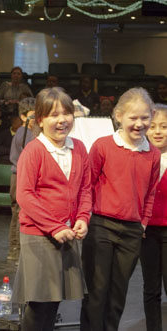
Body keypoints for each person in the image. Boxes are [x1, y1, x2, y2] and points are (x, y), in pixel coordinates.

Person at [80, 87, 160, 331]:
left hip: (132, 232)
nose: (139, 124)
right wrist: (86, 217)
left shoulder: (153, 154)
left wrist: (143, 223)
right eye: (133, 118)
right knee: (97, 291)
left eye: (144, 118)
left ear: (152, 116)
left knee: (118, 294)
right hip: (101, 227)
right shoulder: (103, 146)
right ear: (119, 116)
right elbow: (87, 185)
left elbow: (150, 194)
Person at [13, 87, 91, 331]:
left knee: (54, 302)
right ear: (40, 120)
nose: (62, 120)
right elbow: (24, 195)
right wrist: (54, 226)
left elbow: (86, 189)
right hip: (39, 236)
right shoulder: (34, 151)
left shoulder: (78, 148)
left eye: (66, 113)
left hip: (66, 234)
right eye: (54, 115)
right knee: (39, 306)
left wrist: (82, 218)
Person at [140, 103, 167, 331]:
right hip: (146, 232)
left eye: (164, 126)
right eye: (153, 126)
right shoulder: (139, 157)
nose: (158, 131)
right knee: (151, 289)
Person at [7, 97, 36, 262]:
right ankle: (16, 251)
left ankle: (13, 249)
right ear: (24, 117)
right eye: (33, 115)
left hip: (19, 176)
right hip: (20, 176)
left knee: (16, 213)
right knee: (19, 213)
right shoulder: (25, 133)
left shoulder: (25, 131)